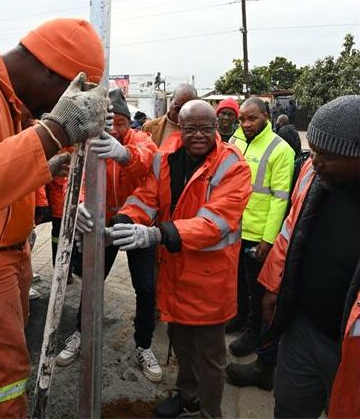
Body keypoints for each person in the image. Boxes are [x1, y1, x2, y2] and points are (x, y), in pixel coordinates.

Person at [0, 17, 108, 418]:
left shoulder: (7, 99)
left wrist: (44, 160)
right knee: (4, 369)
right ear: (48, 68)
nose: (51, 110)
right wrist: (51, 132)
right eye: (62, 98)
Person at [89, 100, 252, 418]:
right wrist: (126, 219)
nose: (198, 135)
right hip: (175, 273)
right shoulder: (166, 156)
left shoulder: (233, 166)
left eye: (206, 128)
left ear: (216, 128)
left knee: (210, 355)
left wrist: (156, 235)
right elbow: (148, 196)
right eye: (191, 128)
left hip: (210, 280)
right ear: (181, 126)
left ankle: (210, 412)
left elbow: (213, 224)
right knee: (179, 341)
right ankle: (187, 395)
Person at [258, 95, 360, 418]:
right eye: (313, 151)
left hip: (351, 349)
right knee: (289, 407)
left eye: (326, 156)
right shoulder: (312, 175)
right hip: (302, 328)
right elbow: (291, 231)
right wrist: (273, 286)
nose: (314, 161)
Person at [58, 90, 163, 382]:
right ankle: (79, 333)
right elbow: (75, 179)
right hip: (101, 226)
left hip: (135, 226)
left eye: (120, 123)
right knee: (92, 281)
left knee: (145, 288)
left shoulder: (140, 140)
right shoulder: (90, 143)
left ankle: (143, 345)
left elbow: (145, 158)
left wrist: (124, 153)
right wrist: (77, 205)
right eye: (109, 123)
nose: (114, 130)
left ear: (129, 122)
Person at [225, 96, 294, 372]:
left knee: (257, 289)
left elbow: (280, 199)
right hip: (234, 228)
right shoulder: (235, 141)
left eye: (251, 118)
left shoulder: (281, 150)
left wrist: (267, 240)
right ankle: (240, 318)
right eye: (242, 118)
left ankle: (254, 332)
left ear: (266, 115)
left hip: (258, 235)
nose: (246, 123)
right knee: (237, 282)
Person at [142, 83, 197, 148]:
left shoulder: (201, 130)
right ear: (171, 101)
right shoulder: (149, 127)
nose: (181, 113)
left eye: (187, 110)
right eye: (178, 108)